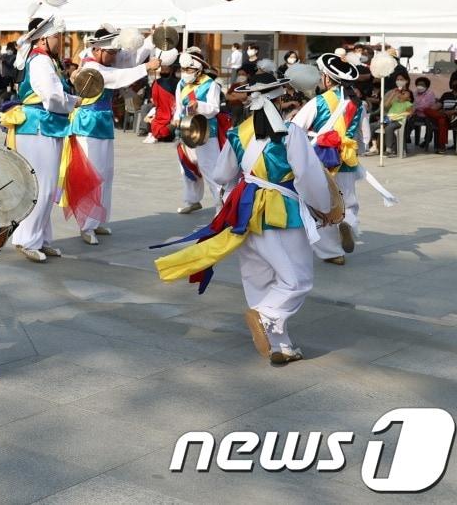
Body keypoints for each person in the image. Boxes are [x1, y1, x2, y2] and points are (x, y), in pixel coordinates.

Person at [154, 73, 334, 365]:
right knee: (297, 280)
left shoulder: (238, 133)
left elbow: (222, 175)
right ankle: (266, 317)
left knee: (258, 279)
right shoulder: (290, 132)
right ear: (280, 95)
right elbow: (309, 176)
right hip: (282, 211)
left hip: (246, 212)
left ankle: (280, 345)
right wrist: (322, 208)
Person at [0, 5, 78, 263]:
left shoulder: (43, 59)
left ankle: (41, 238)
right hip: (37, 126)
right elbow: (52, 97)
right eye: (58, 37)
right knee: (41, 186)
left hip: (44, 126)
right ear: (44, 37)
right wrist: (74, 101)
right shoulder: (41, 61)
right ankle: (27, 239)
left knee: (47, 186)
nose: (61, 41)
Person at [69, 26, 159, 244]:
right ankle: (86, 224)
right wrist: (146, 67)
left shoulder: (104, 60)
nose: (116, 56)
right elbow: (117, 76)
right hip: (87, 124)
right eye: (112, 52)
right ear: (98, 49)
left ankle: (97, 219)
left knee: (106, 173)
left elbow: (129, 60)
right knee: (92, 173)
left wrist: (152, 39)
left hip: (103, 121)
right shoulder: (91, 66)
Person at [290, 54, 376, 265]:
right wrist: (356, 151)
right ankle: (349, 222)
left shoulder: (318, 102)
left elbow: (296, 129)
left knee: (323, 204)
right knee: (349, 200)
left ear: (328, 79)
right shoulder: (359, 104)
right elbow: (363, 137)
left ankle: (332, 253)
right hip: (346, 159)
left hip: (320, 160)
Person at [173, 49, 228, 214]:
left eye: (189, 70)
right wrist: (176, 117)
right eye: (183, 70)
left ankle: (221, 205)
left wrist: (199, 106)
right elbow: (179, 106)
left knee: (209, 168)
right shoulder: (181, 84)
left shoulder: (211, 85)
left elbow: (214, 109)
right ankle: (193, 200)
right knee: (187, 167)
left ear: (199, 70)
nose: (185, 73)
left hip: (205, 132)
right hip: (185, 129)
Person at [145, 57, 178, 143]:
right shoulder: (156, 82)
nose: (163, 70)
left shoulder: (176, 82)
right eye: (162, 68)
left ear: (171, 69)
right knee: (150, 116)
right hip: (160, 110)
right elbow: (154, 98)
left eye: (165, 68)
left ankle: (156, 134)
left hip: (171, 110)